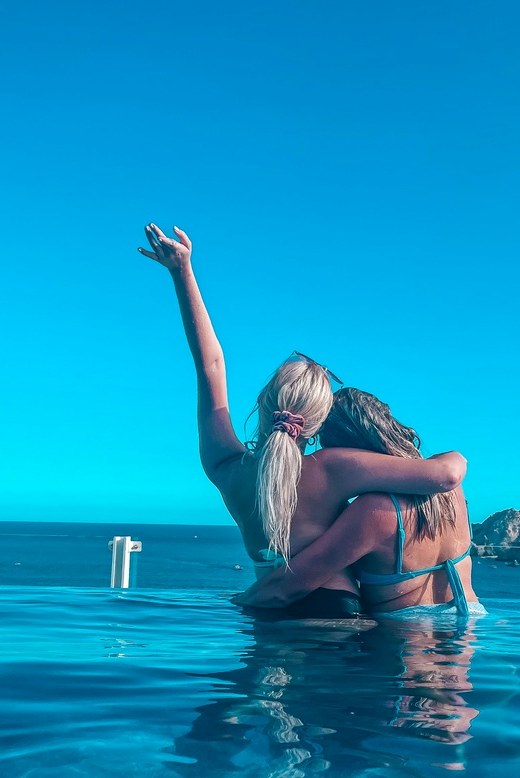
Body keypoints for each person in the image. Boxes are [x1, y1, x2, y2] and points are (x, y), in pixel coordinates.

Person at [138, 224, 466, 617]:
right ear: (318, 424)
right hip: (335, 609)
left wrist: (182, 272)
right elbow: (445, 475)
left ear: (262, 403)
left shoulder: (223, 468)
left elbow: (209, 366)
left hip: (270, 607)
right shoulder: (331, 468)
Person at [233, 387, 483, 620]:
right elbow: (451, 466)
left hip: (404, 639)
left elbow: (282, 590)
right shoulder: (452, 492)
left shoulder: (374, 511)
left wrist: (236, 602)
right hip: (472, 621)